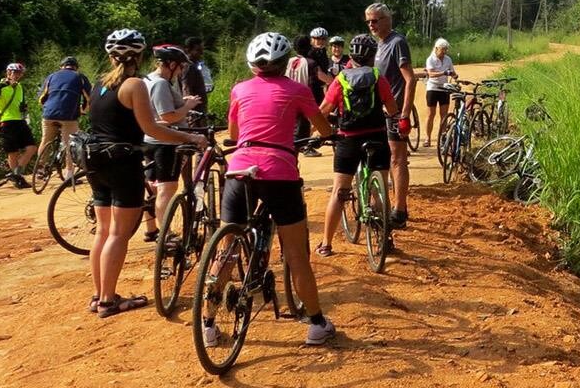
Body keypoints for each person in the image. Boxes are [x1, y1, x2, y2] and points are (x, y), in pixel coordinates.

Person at [206, 31, 335, 346]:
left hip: (240, 170)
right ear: (284, 63)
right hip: (280, 173)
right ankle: (317, 324)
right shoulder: (297, 90)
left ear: (253, 65)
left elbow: (235, 133)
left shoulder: (238, 90)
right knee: (295, 255)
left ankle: (207, 324)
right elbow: (322, 126)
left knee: (225, 251)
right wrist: (327, 135)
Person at [88, 29, 207, 317]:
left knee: (103, 231)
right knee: (118, 233)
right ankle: (108, 301)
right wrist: (191, 139)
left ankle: (99, 296)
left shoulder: (99, 84)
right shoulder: (134, 85)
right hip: (122, 163)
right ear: (138, 56)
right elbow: (151, 128)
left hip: (95, 161)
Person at [317, 34, 398, 256]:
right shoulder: (377, 77)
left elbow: (323, 109)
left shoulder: (341, 79)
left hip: (348, 139)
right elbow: (391, 109)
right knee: (380, 189)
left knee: (339, 191)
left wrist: (321, 131)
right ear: (373, 56)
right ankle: (386, 239)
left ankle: (326, 243)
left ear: (351, 55)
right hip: (377, 137)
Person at [366, 3, 416, 228]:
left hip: (394, 113)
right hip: (380, 111)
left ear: (387, 20)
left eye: (375, 20)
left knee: (397, 159)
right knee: (383, 159)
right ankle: (385, 205)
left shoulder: (397, 42)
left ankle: (400, 209)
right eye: (368, 21)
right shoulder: (380, 45)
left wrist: (404, 114)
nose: (371, 25)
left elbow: (410, 79)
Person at [145, 45, 200, 242]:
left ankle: (151, 229)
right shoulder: (160, 83)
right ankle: (165, 235)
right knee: (166, 189)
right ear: (171, 64)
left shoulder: (148, 80)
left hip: (149, 140)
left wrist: (180, 101)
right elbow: (167, 116)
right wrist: (187, 106)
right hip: (166, 141)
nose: (181, 71)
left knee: (152, 187)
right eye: (180, 67)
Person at [39, 56, 91, 179]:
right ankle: (69, 175)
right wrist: (83, 111)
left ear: (61, 66)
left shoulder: (51, 76)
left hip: (48, 115)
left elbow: (41, 98)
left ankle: (40, 169)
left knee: (45, 140)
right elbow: (89, 98)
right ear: (76, 67)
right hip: (68, 116)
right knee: (70, 144)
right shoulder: (80, 77)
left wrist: (47, 108)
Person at [0, 63, 34, 188]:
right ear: (8, 73)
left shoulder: (20, 87)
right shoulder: (0, 86)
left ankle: (16, 174)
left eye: (20, 73)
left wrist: (24, 107)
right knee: (13, 152)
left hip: (20, 120)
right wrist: (1, 86)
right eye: (15, 72)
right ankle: (17, 179)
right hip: (7, 121)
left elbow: (21, 102)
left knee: (32, 148)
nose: (18, 75)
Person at [423, 38, 457, 149]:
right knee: (430, 115)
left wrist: (455, 76)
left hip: (444, 89)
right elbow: (431, 74)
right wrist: (444, 72)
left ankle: (443, 138)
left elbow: (453, 72)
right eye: (442, 50)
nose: (444, 52)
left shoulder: (448, 59)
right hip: (432, 88)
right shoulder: (430, 59)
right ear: (436, 48)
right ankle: (427, 137)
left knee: (444, 115)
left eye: (445, 50)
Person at [182, 37, 211, 118]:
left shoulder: (195, 64)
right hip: (195, 112)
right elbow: (186, 87)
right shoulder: (189, 66)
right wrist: (190, 110)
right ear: (188, 50)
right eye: (198, 50)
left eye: (202, 50)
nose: (201, 53)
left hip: (199, 109)